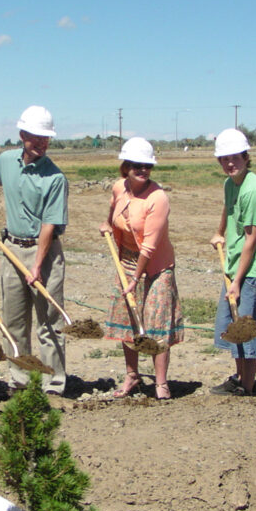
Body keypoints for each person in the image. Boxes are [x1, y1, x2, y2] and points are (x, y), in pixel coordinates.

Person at [0, 105, 69, 394]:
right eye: (36, 137)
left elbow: (49, 225)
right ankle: (20, 380)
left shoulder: (55, 178)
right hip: (11, 248)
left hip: (44, 253)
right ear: (22, 134)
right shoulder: (5, 160)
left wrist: (37, 265)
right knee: (14, 322)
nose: (41, 143)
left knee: (50, 322)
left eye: (46, 138)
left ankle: (53, 384)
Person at [99, 137, 184, 400]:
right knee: (129, 323)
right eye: (136, 165)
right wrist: (106, 224)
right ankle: (132, 376)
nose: (142, 170)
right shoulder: (119, 188)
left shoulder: (158, 198)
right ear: (126, 166)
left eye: (147, 165)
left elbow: (149, 246)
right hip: (125, 261)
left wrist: (136, 278)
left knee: (157, 325)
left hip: (156, 267)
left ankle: (160, 383)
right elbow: (114, 210)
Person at [209, 129, 256, 396]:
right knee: (233, 328)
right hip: (235, 266)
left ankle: (247, 387)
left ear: (246, 157)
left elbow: (252, 239)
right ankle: (239, 378)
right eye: (224, 159)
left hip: (254, 271)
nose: (229, 163)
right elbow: (228, 207)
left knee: (248, 331)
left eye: (235, 157)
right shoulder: (230, 184)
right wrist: (220, 231)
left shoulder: (254, 191)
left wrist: (237, 281)